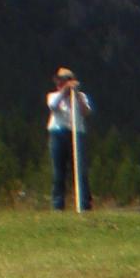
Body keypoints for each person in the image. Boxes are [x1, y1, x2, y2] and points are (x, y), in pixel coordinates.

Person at [46, 67, 92, 212]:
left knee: (80, 171)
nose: (59, 83)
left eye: (62, 80)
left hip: (76, 133)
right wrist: (64, 92)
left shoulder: (81, 96)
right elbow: (53, 106)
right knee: (59, 172)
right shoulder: (53, 96)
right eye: (58, 80)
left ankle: (84, 203)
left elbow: (86, 111)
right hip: (58, 133)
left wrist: (76, 95)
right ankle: (58, 205)